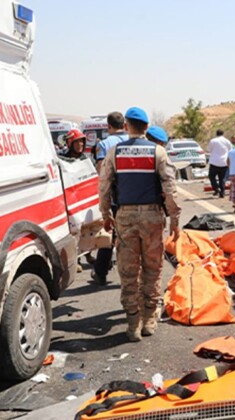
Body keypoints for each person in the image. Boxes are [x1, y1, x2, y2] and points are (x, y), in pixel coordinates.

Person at [98, 107, 180, 342]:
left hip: (125, 216)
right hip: (153, 217)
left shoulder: (114, 152)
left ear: (127, 126)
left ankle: (133, 323)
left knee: (128, 270)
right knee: (153, 269)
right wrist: (174, 220)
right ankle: (150, 319)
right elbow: (170, 190)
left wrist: (106, 214)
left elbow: (103, 187)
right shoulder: (159, 152)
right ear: (147, 127)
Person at [91, 112, 128, 285]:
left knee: (110, 237)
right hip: (133, 199)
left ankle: (100, 273)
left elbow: (101, 171)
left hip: (114, 199)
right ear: (124, 125)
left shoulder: (104, 145)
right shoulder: (132, 141)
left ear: (108, 126)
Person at [207, 129, 231, 198]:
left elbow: (209, 150)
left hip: (214, 162)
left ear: (216, 134)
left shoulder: (213, 141)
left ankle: (216, 188)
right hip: (224, 162)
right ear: (223, 133)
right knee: (222, 178)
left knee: (211, 176)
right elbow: (230, 150)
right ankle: (222, 192)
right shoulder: (227, 141)